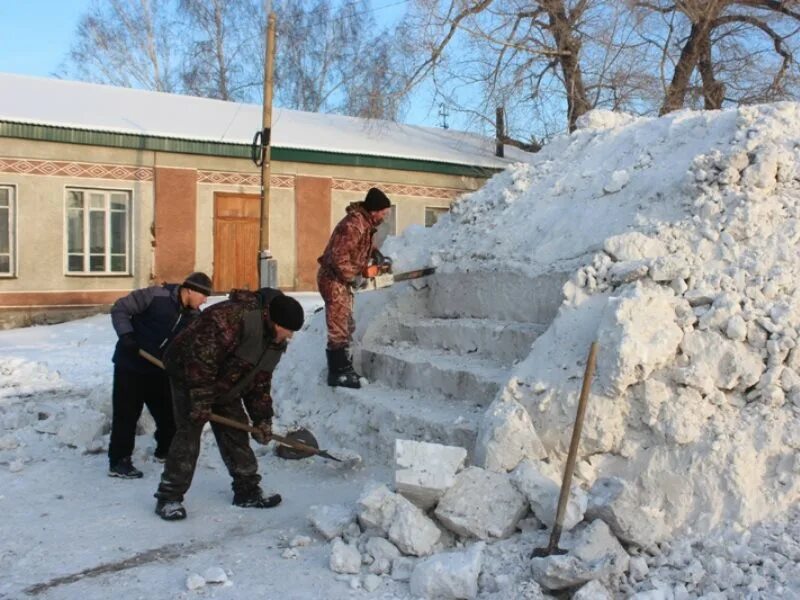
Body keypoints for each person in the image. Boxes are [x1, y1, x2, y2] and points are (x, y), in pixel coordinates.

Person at [153, 288, 305, 521]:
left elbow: (260, 380)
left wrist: (262, 418)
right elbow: (200, 361)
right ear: (275, 322)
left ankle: (247, 492)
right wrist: (201, 401)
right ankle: (169, 497)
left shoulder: (275, 341)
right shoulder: (230, 319)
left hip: (227, 381)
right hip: (189, 376)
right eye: (288, 331)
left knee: (236, 430)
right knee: (188, 434)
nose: (290, 337)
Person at [108, 272, 212, 479]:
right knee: (126, 415)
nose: (205, 300)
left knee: (168, 414)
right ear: (190, 290)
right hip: (130, 365)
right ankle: (119, 462)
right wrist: (127, 336)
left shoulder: (194, 317)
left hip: (159, 370)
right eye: (203, 295)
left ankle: (164, 451)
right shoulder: (156, 296)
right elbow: (120, 308)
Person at [317, 187, 392, 389]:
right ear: (374, 210)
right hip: (333, 279)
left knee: (347, 324)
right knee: (338, 325)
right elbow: (338, 257)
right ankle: (338, 373)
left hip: (343, 279)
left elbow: (360, 245)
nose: (385, 217)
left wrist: (375, 254)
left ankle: (344, 365)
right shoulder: (353, 224)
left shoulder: (365, 224)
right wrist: (354, 276)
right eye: (383, 213)